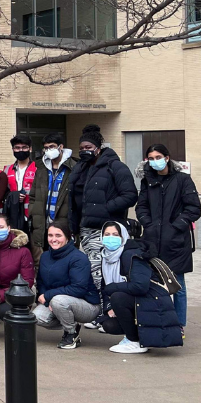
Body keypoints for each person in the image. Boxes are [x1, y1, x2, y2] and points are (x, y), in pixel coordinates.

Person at [136, 144, 200, 335]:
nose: (154, 161)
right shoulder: (147, 181)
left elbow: (194, 208)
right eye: (150, 157)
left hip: (176, 242)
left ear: (167, 157)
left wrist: (176, 226)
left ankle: (179, 324)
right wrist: (148, 224)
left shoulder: (182, 180)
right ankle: (158, 321)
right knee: (153, 284)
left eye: (158, 157)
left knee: (177, 285)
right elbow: (142, 206)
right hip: (152, 240)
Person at [68, 124, 137, 292]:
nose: (84, 150)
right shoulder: (79, 168)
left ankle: (105, 308)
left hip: (107, 229)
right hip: (85, 229)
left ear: (98, 149)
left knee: (101, 271)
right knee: (93, 270)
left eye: (88, 147)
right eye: (81, 148)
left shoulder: (115, 166)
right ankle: (98, 306)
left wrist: (106, 208)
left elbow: (130, 195)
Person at [98, 221, 182, 353]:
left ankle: (134, 341)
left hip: (153, 302)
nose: (110, 238)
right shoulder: (106, 257)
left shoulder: (132, 255)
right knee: (109, 325)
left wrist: (113, 288)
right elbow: (104, 285)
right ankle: (139, 336)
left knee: (118, 297)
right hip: (140, 302)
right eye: (107, 234)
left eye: (115, 234)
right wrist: (109, 307)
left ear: (123, 236)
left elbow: (140, 286)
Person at [33, 222, 100, 349]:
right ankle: (70, 323)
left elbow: (79, 288)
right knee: (36, 317)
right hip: (57, 300)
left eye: (58, 235)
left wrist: (49, 297)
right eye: (50, 235)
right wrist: (45, 299)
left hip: (88, 305)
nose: (54, 239)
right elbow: (41, 281)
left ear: (68, 237)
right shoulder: (45, 256)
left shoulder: (78, 258)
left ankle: (71, 334)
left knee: (59, 301)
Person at [29, 133, 76, 252]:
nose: (49, 150)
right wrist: (33, 212)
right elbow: (33, 196)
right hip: (43, 222)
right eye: (46, 148)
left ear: (61, 147)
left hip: (63, 221)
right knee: (44, 259)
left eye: (52, 146)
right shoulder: (41, 168)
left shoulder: (73, 167)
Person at [2, 135, 37, 231]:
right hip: (14, 214)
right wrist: (14, 195)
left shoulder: (38, 168)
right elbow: (4, 192)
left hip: (33, 214)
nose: (20, 150)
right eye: (17, 148)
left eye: (24, 147)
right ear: (13, 149)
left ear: (30, 149)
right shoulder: (7, 170)